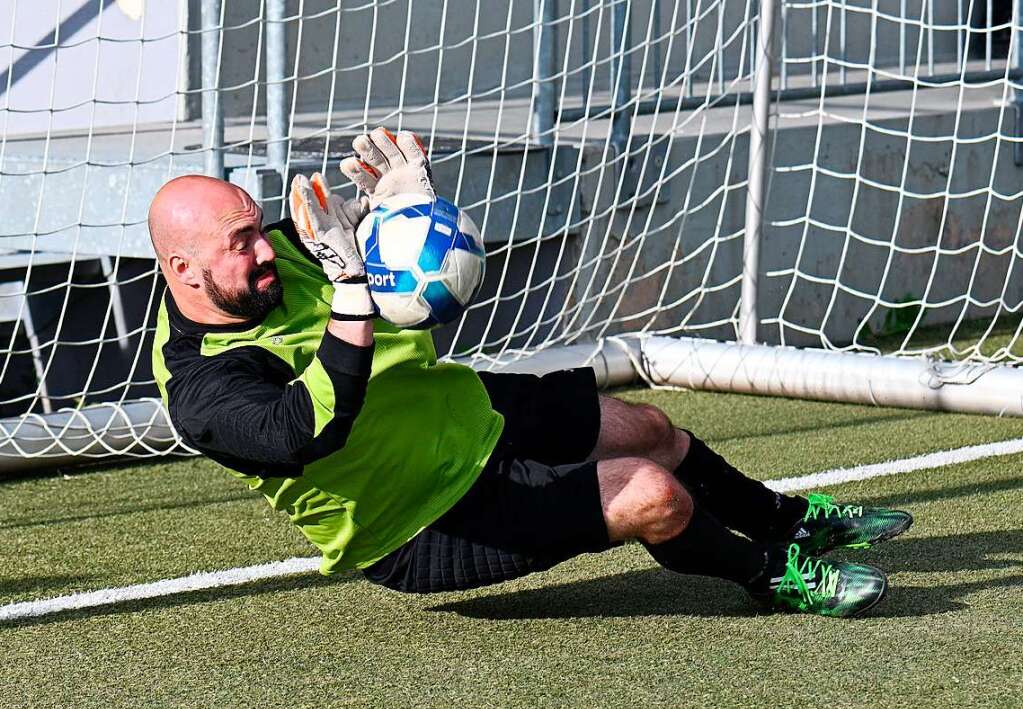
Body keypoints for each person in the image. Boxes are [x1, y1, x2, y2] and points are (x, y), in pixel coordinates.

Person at [149, 127, 912, 618]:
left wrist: (394, 208)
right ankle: (771, 575)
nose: (263, 251)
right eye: (240, 243)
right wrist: (352, 285)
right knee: (652, 494)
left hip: (456, 412)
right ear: (182, 268)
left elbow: (372, 258)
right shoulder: (202, 387)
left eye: (256, 229)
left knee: (648, 428)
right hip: (420, 518)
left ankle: (788, 519)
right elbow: (310, 427)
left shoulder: (279, 253)